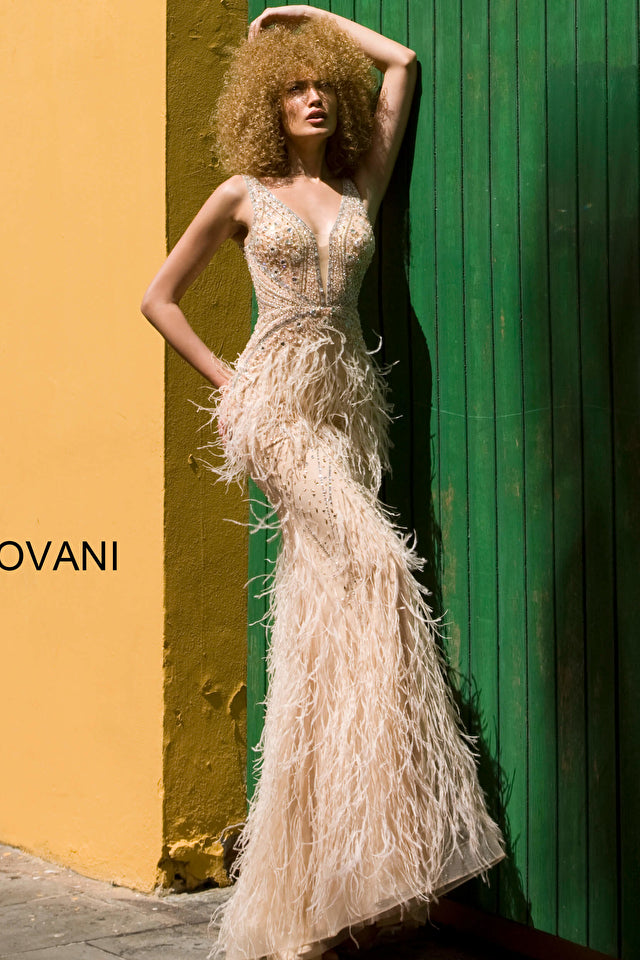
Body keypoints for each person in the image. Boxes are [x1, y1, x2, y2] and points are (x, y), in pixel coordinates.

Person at [141, 7, 506, 960]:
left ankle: (327, 879)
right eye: (291, 86)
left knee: (321, 620)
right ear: (266, 106)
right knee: (382, 568)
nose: (309, 97)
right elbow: (157, 300)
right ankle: (387, 841)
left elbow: (407, 63)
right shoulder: (240, 194)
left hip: (348, 410)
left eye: (318, 86)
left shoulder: (356, 183)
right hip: (278, 411)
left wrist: (309, 21)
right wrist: (238, 387)